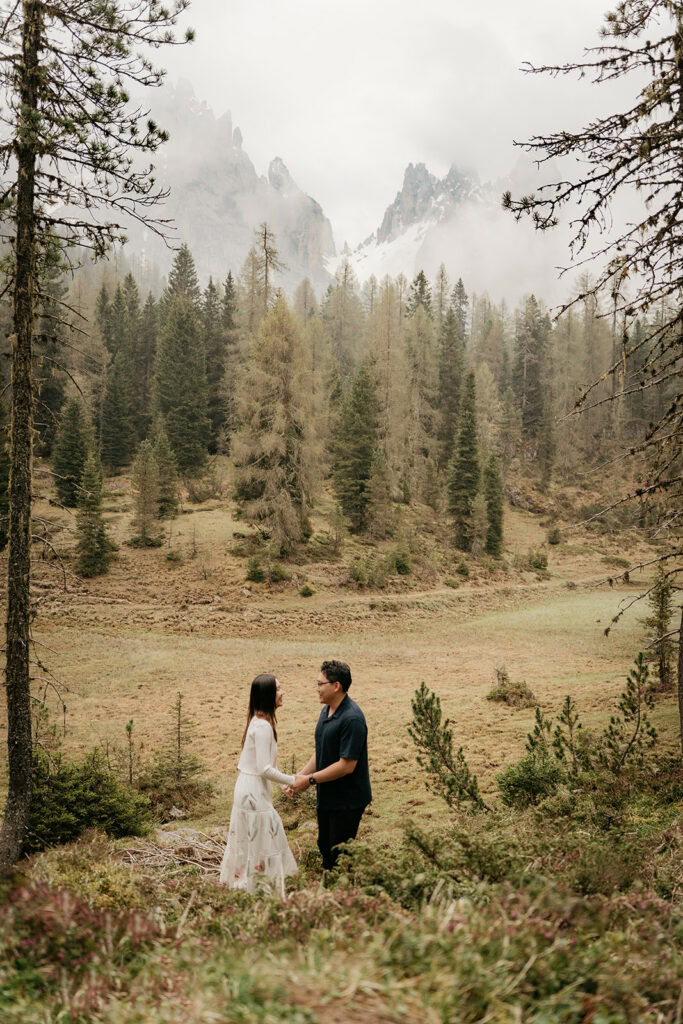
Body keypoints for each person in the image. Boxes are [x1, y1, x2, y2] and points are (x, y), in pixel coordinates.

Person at [219, 673, 297, 895]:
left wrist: (281, 784)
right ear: (269, 695)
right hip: (252, 791)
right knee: (264, 836)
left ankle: (251, 887)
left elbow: (260, 765)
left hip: (250, 787)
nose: (283, 693)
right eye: (279, 689)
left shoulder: (258, 720)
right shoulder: (262, 726)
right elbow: (264, 768)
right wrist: (292, 780)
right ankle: (262, 890)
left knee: (254, 838)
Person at [289, 660, 371, 870]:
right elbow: (321, 752)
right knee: (324, 846)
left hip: (347, 800)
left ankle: (343, 896)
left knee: (339, 855)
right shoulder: (326, 712)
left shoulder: (352, 718)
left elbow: (346, 765)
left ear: (336, 686)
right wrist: (298, 777)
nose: (317, 689)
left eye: (320, 684)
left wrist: (310, 780)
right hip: (327, 796)